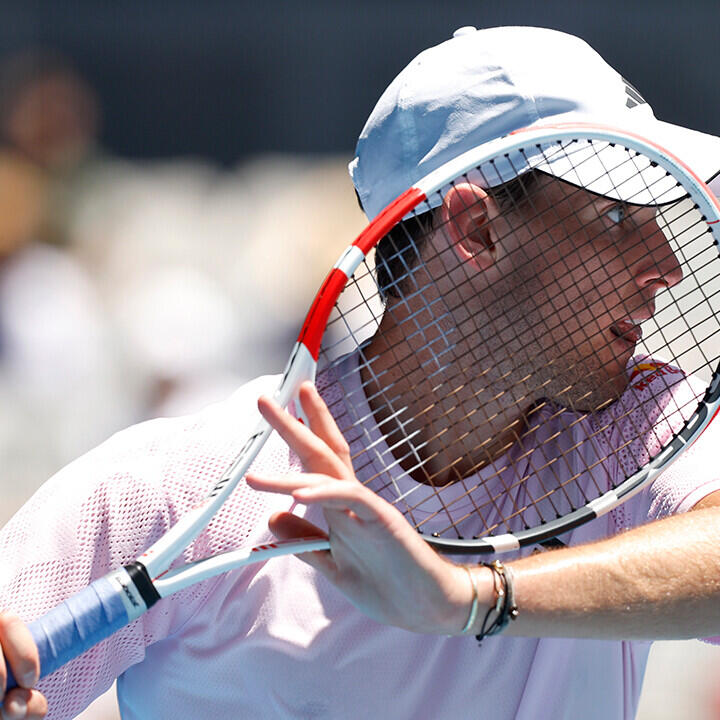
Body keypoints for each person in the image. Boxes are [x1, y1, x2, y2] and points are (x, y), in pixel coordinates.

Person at [2, 25, 720, 720]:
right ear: (478, 230)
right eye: (618, 219)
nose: (667, 265)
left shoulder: (643, 429)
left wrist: (469, 597)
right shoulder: (165, 491)